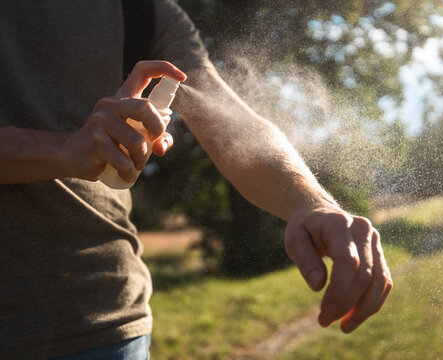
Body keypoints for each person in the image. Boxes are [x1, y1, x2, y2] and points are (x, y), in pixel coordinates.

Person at [0, 1, 392, 358]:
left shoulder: (143, 10)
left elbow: (229, 118)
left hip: (100, 323)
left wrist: (311, 203)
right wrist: (66, 150)